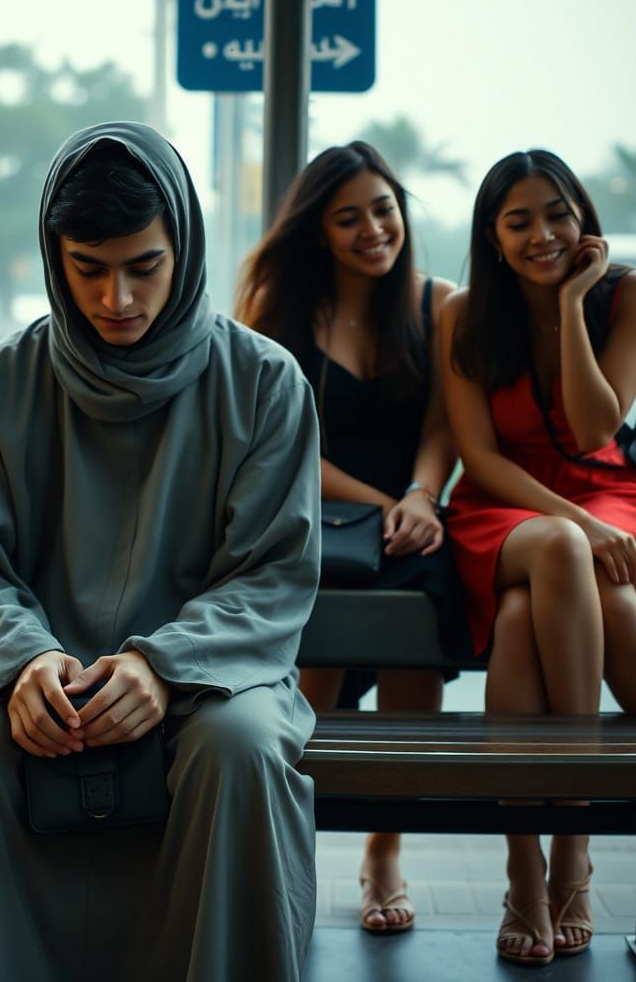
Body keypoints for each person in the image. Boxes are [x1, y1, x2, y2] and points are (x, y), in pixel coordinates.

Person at [0, 122, 321, 982]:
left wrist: (162, 666)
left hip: (212, 683)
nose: (115, 297)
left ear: (184, 250)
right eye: (86, 268)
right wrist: (26, 662)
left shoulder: (265, 382)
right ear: (53, 257)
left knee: (240, 746)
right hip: (27, 683)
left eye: (144, 266)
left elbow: (271, 573)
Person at [235, 141, 460, 933]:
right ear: (318, 232)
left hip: (412, 524)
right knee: (317, 644)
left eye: (384, 209)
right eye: (347, 218)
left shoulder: (438, 304)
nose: (373, 229)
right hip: (317, 520)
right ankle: (285, 846)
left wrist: (422, 497)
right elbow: (282, 446)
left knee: (420, 614)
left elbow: (445, 425)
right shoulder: (282, 313)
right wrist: (387, 504)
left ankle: (383, 852)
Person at [440, 149, 636, 966]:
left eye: (557, 215)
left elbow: (596, 429)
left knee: (531, 620)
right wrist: (576, 524)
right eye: (518, 221)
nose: (542, 235)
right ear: (492, 236)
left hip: (606, 491)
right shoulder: (461, 313)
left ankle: (545, 864)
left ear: (582, 217)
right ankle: (558, 857)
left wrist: (572, 302)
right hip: (507, 506)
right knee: (559, 546)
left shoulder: (623, 296)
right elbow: (479, 459)